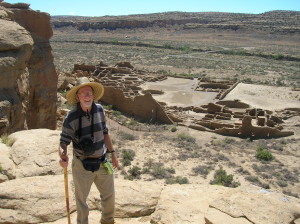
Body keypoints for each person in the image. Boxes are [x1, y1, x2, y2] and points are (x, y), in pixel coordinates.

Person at [59, 77, 119, 224]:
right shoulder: (71, 117)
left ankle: (107, 221)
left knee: (109, 196)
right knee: (81, 201)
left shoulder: (99, 110)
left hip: (102, 161)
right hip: (81, 166)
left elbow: (105, 133)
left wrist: (113, 154)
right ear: (78, 97)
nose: (87, 96)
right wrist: (63, 155)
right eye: (83, 93)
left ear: (93, 95)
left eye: (89, 93)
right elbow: (63, 142)